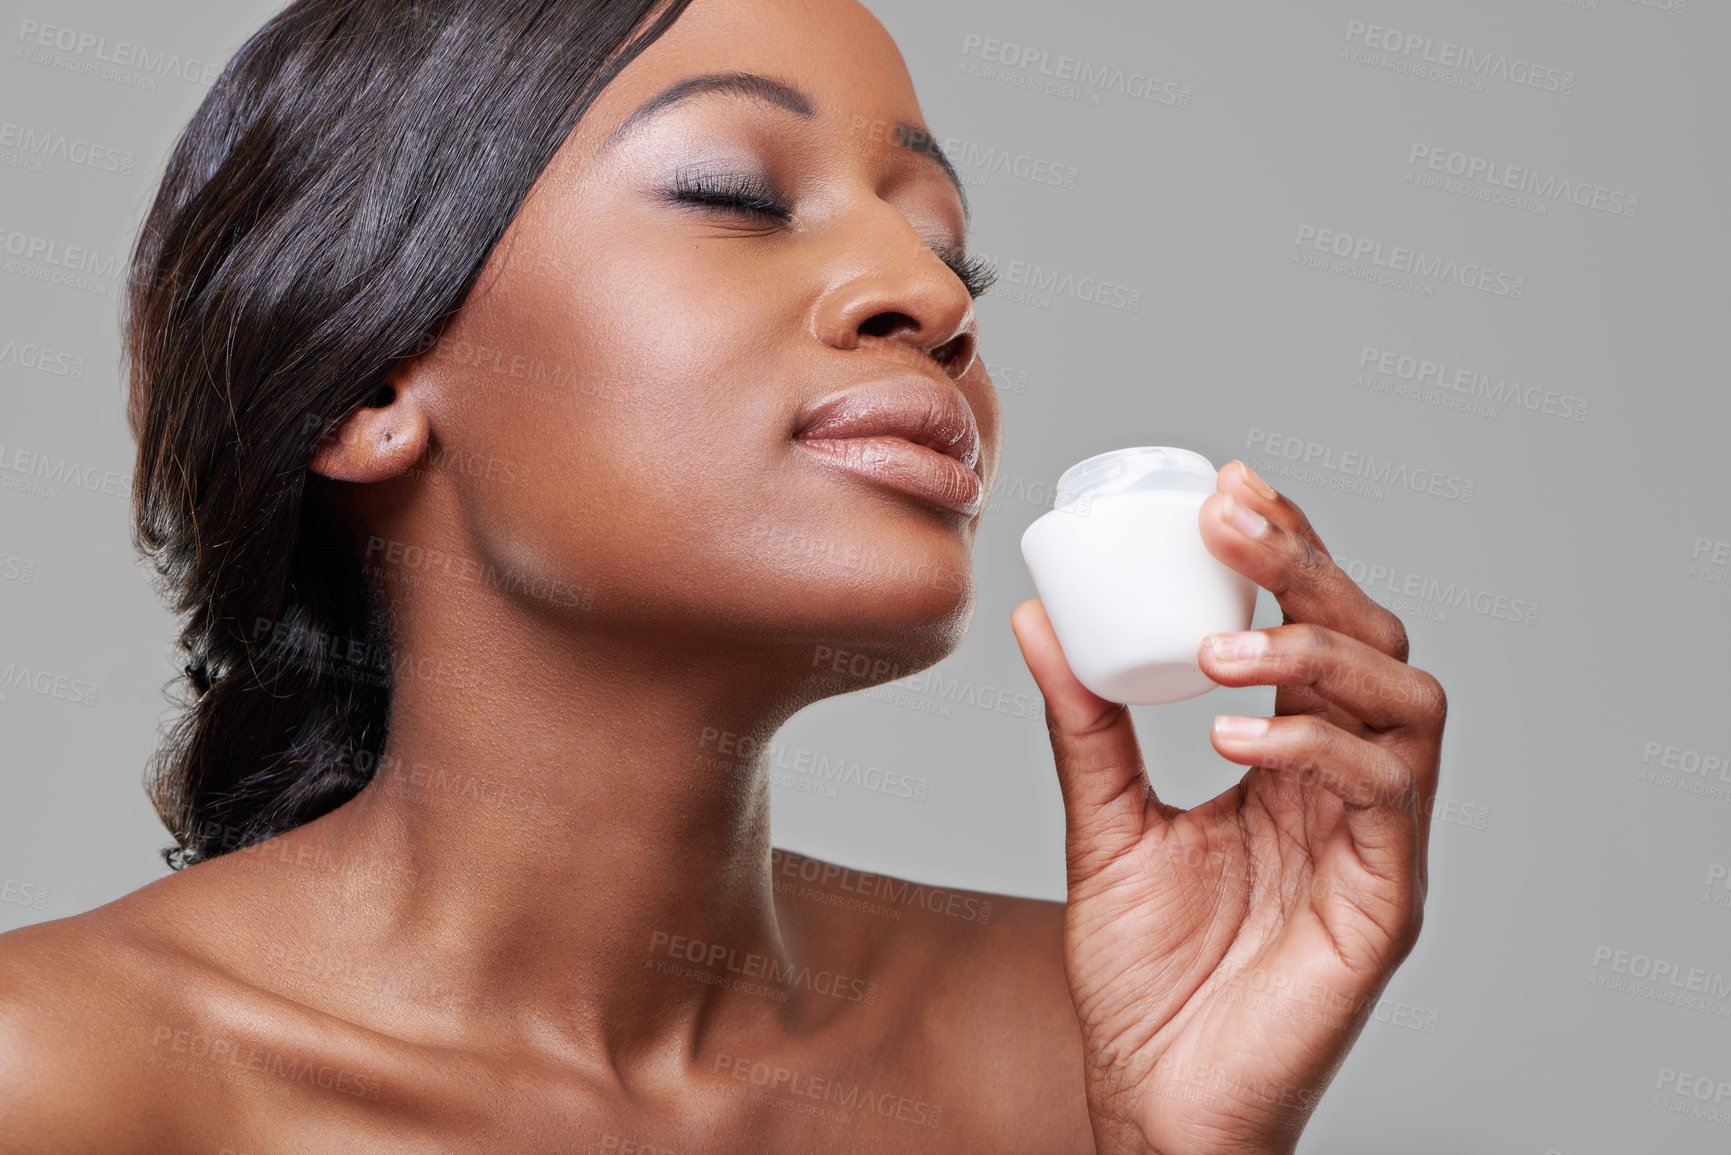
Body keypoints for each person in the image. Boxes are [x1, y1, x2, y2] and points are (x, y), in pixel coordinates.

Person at [0, 0, 1447, 1151]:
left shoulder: (1077, 1038)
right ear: (365, 385)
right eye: (737, 196)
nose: (936, 301)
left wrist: (1186, 1144)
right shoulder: (57, 1078)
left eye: (952, 252)